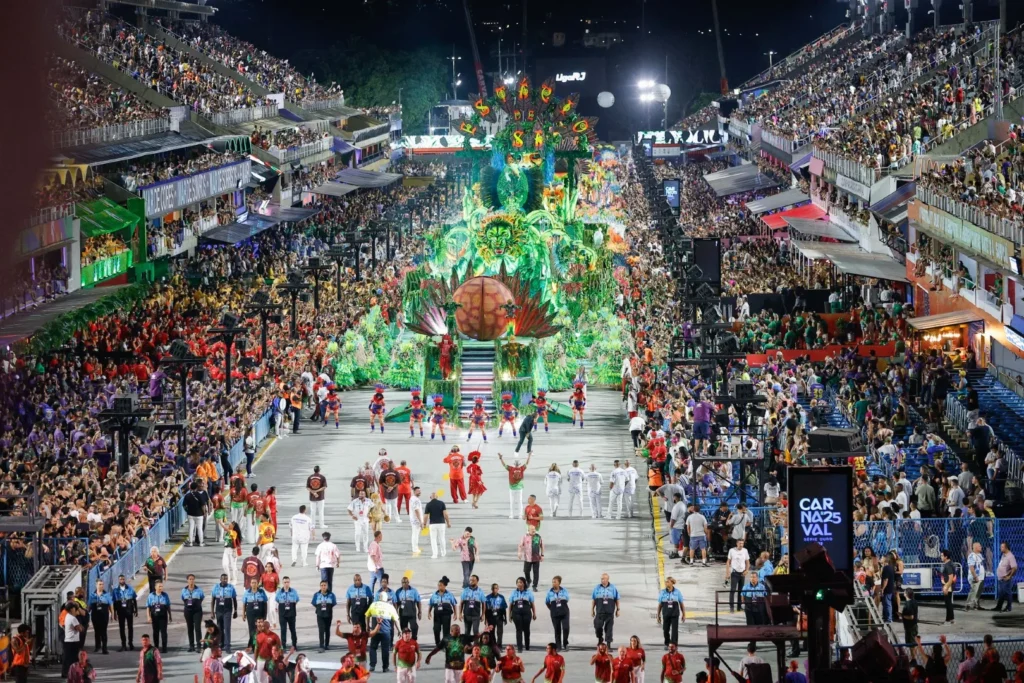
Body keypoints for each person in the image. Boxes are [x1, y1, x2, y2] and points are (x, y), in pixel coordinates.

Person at [499, 452, 532, 519]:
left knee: (512, 502)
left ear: (514, 464)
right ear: (519, 464)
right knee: (520, 501)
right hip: (519, 488)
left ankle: (511, 515)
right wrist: (529, 456)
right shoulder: (521, 469)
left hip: (512, 487)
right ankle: (520, 515)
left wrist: (501, 458)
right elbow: (527, 463)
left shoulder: (511, 469)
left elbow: (504, 465)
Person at [429, 577, 459, 647]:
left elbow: (454, 604)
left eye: (441, 585)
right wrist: (429, 613)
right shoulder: (434, 595)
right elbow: (431, 604)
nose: (439, 587)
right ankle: (438, 643)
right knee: (436, 629)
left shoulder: (450, 594)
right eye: (438, 585)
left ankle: (445, 644)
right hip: (437, 616)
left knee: (446, 631)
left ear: (445, 586)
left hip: (446, 615)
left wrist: (455, 614)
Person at [211, 573, 238, 652]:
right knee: (219, 628)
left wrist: (235, 611)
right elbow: (213, 600)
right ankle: (221, 644)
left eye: (226, 578)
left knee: (227, 628)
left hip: (227, 610)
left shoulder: (231, 587)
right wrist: (212, 612)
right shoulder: (216, 587)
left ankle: (227, 645)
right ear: (220, 579)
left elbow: (234, 600)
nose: (225, 580)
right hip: (218, 610)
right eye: (223, 578)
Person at [509, 577, 536, 652]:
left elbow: (532, 603)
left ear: (524, 583)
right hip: (516, 612)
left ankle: (527, 645)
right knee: (518, 629)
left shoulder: (528, 592)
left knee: (526, 629)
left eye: (521, 582)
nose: (519, 584)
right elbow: (511, 604)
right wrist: (509, 615)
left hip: (526, 612)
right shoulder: (514, 592)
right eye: (518, 582)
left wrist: (534, 613)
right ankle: (519, 647)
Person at [367, 601, 395, 674]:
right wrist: (399, 630)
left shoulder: (373, 605)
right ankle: (385, 667)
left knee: (373, 648)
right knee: (385, 650)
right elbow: (396, 619)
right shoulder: (390, 606)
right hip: (386, 632)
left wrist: (367, 625)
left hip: (375, 631)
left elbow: (367, 615)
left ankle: (372, 665)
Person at [592, 574, 620, 647]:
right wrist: (592, 609)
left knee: (609, 629)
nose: (602, 580)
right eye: (601, 579)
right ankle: (600, 638)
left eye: (604, 579)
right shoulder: (597, 588)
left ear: (608, 579)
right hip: (599, 611)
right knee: (597, 626)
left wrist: (618, 609)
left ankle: (608, 644)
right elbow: (594, 599)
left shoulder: (613, 588)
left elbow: (617, 599)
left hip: (609, 612)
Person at [112, 574, 138, 652]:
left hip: (129, 610)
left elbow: (134, 600)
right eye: (120, 579)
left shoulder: (130, 589)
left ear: (125, 580)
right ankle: (123, 645)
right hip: (120, 611)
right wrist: (115, 613)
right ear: (118, 580)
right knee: (122, 628)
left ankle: (130, 643)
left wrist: (136, 610)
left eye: (123, 579)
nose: (122, 580)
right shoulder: (115, 591)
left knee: (130, 628)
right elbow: (114, 603)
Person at [656, 577, 684, 647]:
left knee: (674, 630)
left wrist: (684, 614)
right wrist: (658, 615)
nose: (666, 583)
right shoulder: (662, 592)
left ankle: (674, 643)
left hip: (674, 614)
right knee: (665, 629)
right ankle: (667, 642)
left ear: (672, 583)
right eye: (666, 582)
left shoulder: (677, 592)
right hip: (666, 613)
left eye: (668, 582)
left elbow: (681, 603)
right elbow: (660, 605)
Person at [181, 574, 205, 653]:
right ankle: (191, 646)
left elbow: (202, 597)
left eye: (193, 579)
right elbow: (183, 598)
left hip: (197, 611)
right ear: (187, 580)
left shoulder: (199, 590)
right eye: (190, 579)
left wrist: (196, 604)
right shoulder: (184, 590)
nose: (191, 581)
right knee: (190, 628)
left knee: (197, 628)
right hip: (188, 611)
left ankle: (199, 646)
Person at [88, 578, 113, 655]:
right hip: (95, 616)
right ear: (96, 585)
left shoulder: (107, 595)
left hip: (104, 616)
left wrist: (112, 614)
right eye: (99, 584)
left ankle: (104, 648)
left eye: (102, 584)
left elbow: (110, 605)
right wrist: (87, 617)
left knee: (103, 632)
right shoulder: (92, 595)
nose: (101, 586)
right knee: (97, 632)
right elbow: (89, 607)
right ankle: (97, 646)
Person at [545, 576, 570, 652]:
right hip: (554, 613)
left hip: (564, 612)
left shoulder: (564, 590)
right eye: (552, 582)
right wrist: (552, 609)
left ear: (559, 583)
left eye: (555, 582)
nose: (553, 583)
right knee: (557, 629)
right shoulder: (549, 592)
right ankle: (558, 646)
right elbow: (547, 602)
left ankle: (565, 643)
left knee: (566, 628)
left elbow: (567, 599)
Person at [146, 582, 171, 653]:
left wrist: (170, 615)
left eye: (162, 586)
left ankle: (164, 647)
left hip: (163, 616)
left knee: (164, 632)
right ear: (155, 587)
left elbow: (168, 606)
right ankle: (156, 647)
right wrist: (148, 616)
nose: (161, 588)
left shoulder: (165, 595)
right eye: (159, 586)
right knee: (155, 632)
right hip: (155, 616)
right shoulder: (151, 596)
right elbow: (148, 607)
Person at [312, 580, 338, 652]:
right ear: (320, 586)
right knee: (321, 630)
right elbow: (314, 603)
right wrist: (319, 609)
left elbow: (333, 603)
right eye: (322, 585)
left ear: (327, 586)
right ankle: (321, 645)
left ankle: (327, 644)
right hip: (320, 615)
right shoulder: (316, 595)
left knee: (327, 629)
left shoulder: (331, 595)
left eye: (325, 585)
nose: (323, 587)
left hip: (328, 614)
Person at [725, 539, 750, 612]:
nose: (741, 545)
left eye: (742, 543)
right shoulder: (732, 550)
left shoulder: (745, 551)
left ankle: (739, 606)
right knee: (733, 590)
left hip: (742, 573)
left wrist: (747, 570)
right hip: (734, 573)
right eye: (740, 543)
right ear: (737, 543)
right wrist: (727, 572)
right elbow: (728, 562)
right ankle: (731, 606)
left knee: (741, 590)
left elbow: (747, 562)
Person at [424, 492, 451, 559]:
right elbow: (445, 514)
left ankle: (435, 554)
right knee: (442, 538)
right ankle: (443, 552)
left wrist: (424, 524)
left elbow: (426, 516)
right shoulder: (441, 503)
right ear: (437, 497)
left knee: (433, 539)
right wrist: (448, 522)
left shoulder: (428, 504)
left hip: (433, 524)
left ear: (431, 497)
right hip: (441, 523)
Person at [62, 601, 85, 678]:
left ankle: (65, 673)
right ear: (72, 609)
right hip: (73, 641)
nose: (76, 610)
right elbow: (80, 629)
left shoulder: (67, 616)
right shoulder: (73, 618)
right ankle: (72, 673)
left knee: (67, 658)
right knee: (73, 659)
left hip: (68, 640)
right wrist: (80, 625)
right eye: (75, 608)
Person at [518, 526, 544, 591]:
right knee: (526, 571)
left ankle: (534, 586)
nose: (533, 530)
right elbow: (520, 545)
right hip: (527, 558)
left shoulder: (538, 537)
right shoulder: (525, 537)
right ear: (528, 530)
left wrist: (542, 555)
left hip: (536, 558)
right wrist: (519, 552)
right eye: (532, 529)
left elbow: (542, 546)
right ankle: (528, 580)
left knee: (536, 572)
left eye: (534, 529)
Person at [276, 576, 300, 650]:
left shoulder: (293, 591)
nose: (286, 584)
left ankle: (294, 645)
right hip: (282, 614)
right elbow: (277, 600)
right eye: (285, 582)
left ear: (289, 583)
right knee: (283, 630)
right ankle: (283, 645)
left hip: (291, 613)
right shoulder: (279, 592)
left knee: (292, 629)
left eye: (288, 582)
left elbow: (297, 600)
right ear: (283, 583)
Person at [242, 577, 268, 643]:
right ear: (250, 584)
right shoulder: (247, 592)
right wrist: (243, 614)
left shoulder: (261, 592)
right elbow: (244, 604)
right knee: (251, 628)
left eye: (255, 583)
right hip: (250, 613)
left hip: (260, 613)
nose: (254, 584)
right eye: (252, 583)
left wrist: (265, 615)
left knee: (260, 628)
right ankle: (252, 644)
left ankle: (261, 642)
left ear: (257, 584)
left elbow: (265, 603)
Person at [995, 542, 1018, 612]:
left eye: (1002, 547)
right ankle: (999, 607)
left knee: (1007, 593)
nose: (1000, 548)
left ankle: (1008, 607)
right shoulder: (1004, 555)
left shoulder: (1010, 556)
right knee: (1001, 594)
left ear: (1006, 548)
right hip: (1001, 579)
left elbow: (1014, 567)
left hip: (1006, 579)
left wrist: (1009, 576)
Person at [485, 583, 509, 649]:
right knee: (491, 631)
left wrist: (505, 618)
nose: (494, 590)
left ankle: (499, 644)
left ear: (498, 589)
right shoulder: (487, 598)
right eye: (493, 588)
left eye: (496, 588)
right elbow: (485, 610)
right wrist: (486, 620)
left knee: (500, 632)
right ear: (491, 589)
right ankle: (493, 644)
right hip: (491, 616)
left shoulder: (501, 597)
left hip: (499, 615)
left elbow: (504, 609)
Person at [966, 541, 985, 610]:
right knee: (973, 591)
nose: (981, 547)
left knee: (978, 592)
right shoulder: (972, 556)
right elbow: (971, 567)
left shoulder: (979, 555)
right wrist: (975, 576)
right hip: (975, 577)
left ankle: (976, 605)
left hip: (981, 577)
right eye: (980, 546)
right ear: (976, 547)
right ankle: (968, 605)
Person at [940, 549, 956, 624]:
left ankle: (948, 619)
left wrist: (946, 587)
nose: (941, 557)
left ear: (946, 556)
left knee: (948, 603)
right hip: (949, 585)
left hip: (948, 586)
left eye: (942, 555)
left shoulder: (948, 565)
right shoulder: (949, 563)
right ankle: (950, 618)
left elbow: (951, 577)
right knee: (948, 602)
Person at [410, 486, 425, 554]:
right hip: (416, 520)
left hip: (414, 520)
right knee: (415, 535)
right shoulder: (415, 500)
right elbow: (416, 511)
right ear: (414, 491)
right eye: (418, 491)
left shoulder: (413, 499)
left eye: (420, 491)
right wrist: (421, 521)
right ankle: (415, 548)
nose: (419, 492)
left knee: (415, 534)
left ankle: (415, 547)